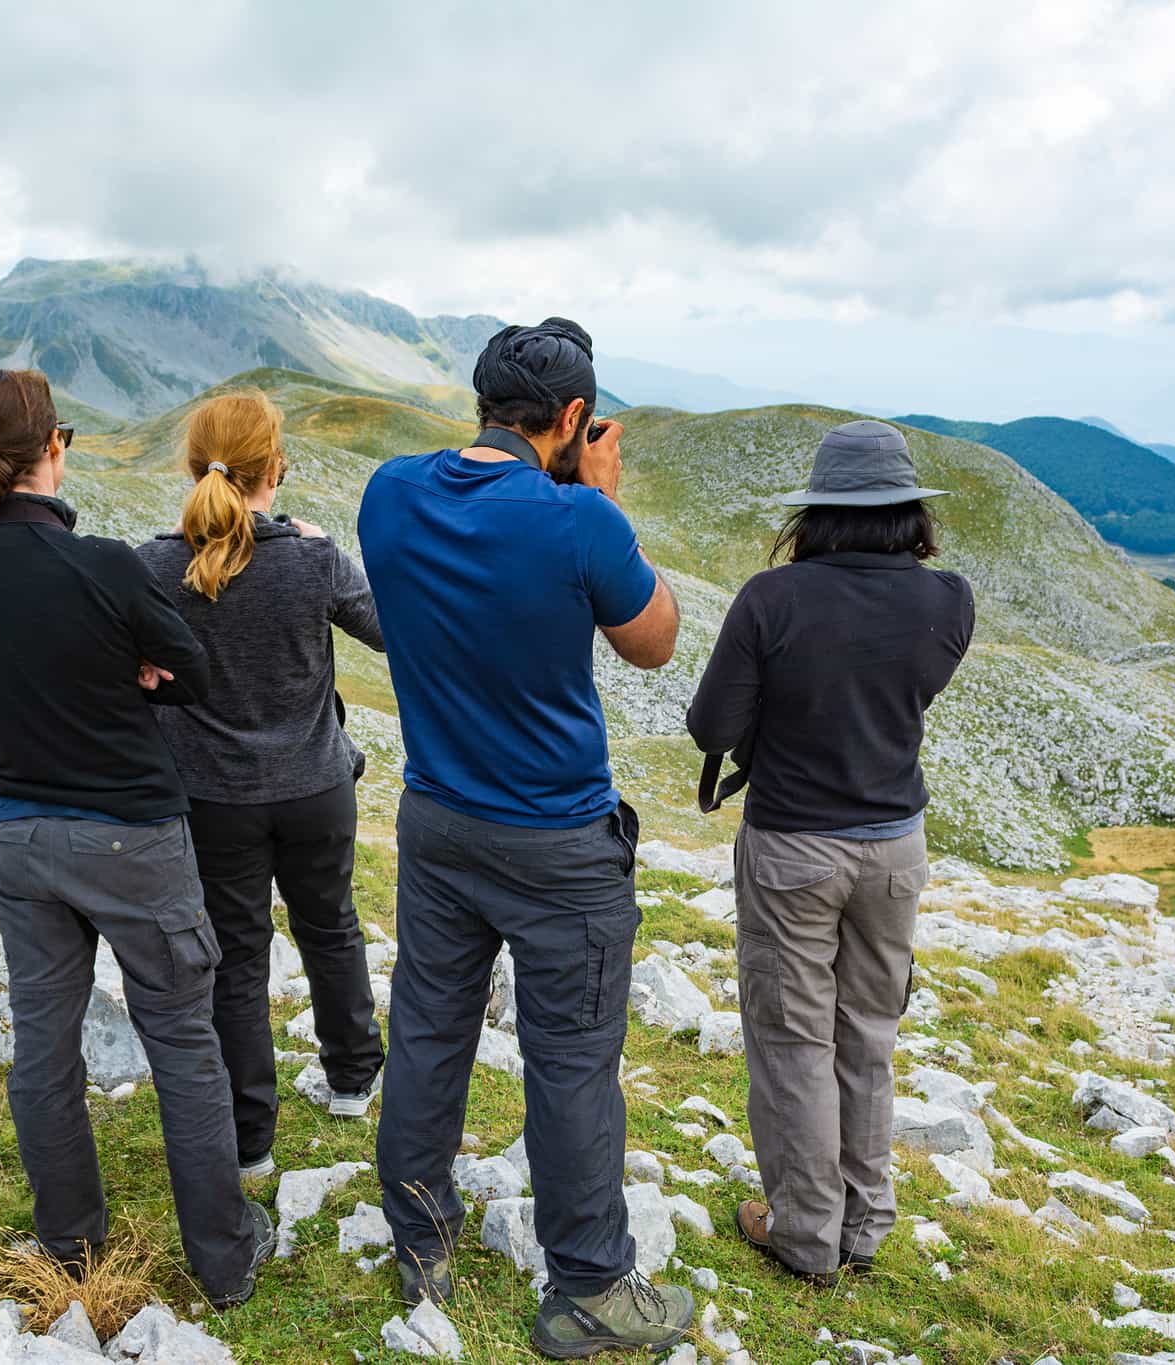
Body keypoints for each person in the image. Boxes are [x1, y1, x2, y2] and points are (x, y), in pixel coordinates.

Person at [360, 319, 692, 1358]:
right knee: (571, 1063)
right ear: (575, 419)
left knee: (426, 1026)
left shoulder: (387, 493)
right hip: (556, 840)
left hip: (438, 820)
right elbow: (653, 642)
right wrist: (601, 497)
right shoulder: (575, 522)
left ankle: (420, 1236)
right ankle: (590, 1287)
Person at [0, 368, 273, 1305]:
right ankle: (225, 1255)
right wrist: (143, 671)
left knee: (44, 1048)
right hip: (133, 836)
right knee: (183, 1042)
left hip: (23, 838)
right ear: (56, 449)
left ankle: (70, 1247)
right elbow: (194, 671)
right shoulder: (109, 564)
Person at [685, 420, 974, 1283]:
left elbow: (711, 727)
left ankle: (805, 1231)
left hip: (791, 850)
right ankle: (865, 1221)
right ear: (909, 512)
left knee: (792, 1037)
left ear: (818, 514)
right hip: (894, 849)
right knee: (869, 1034)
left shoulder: (772, 600)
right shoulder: (948, 600)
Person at [137, 390, 387, 1178]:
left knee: (237, 960)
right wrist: (326, 550)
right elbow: (390, 629)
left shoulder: (152, 564)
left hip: (212, 800)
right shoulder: (311, 560)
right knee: (331, 925)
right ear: (275, 467)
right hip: (315, 786)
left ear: (193, 466)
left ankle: (251, 1141)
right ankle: (353, 1077)